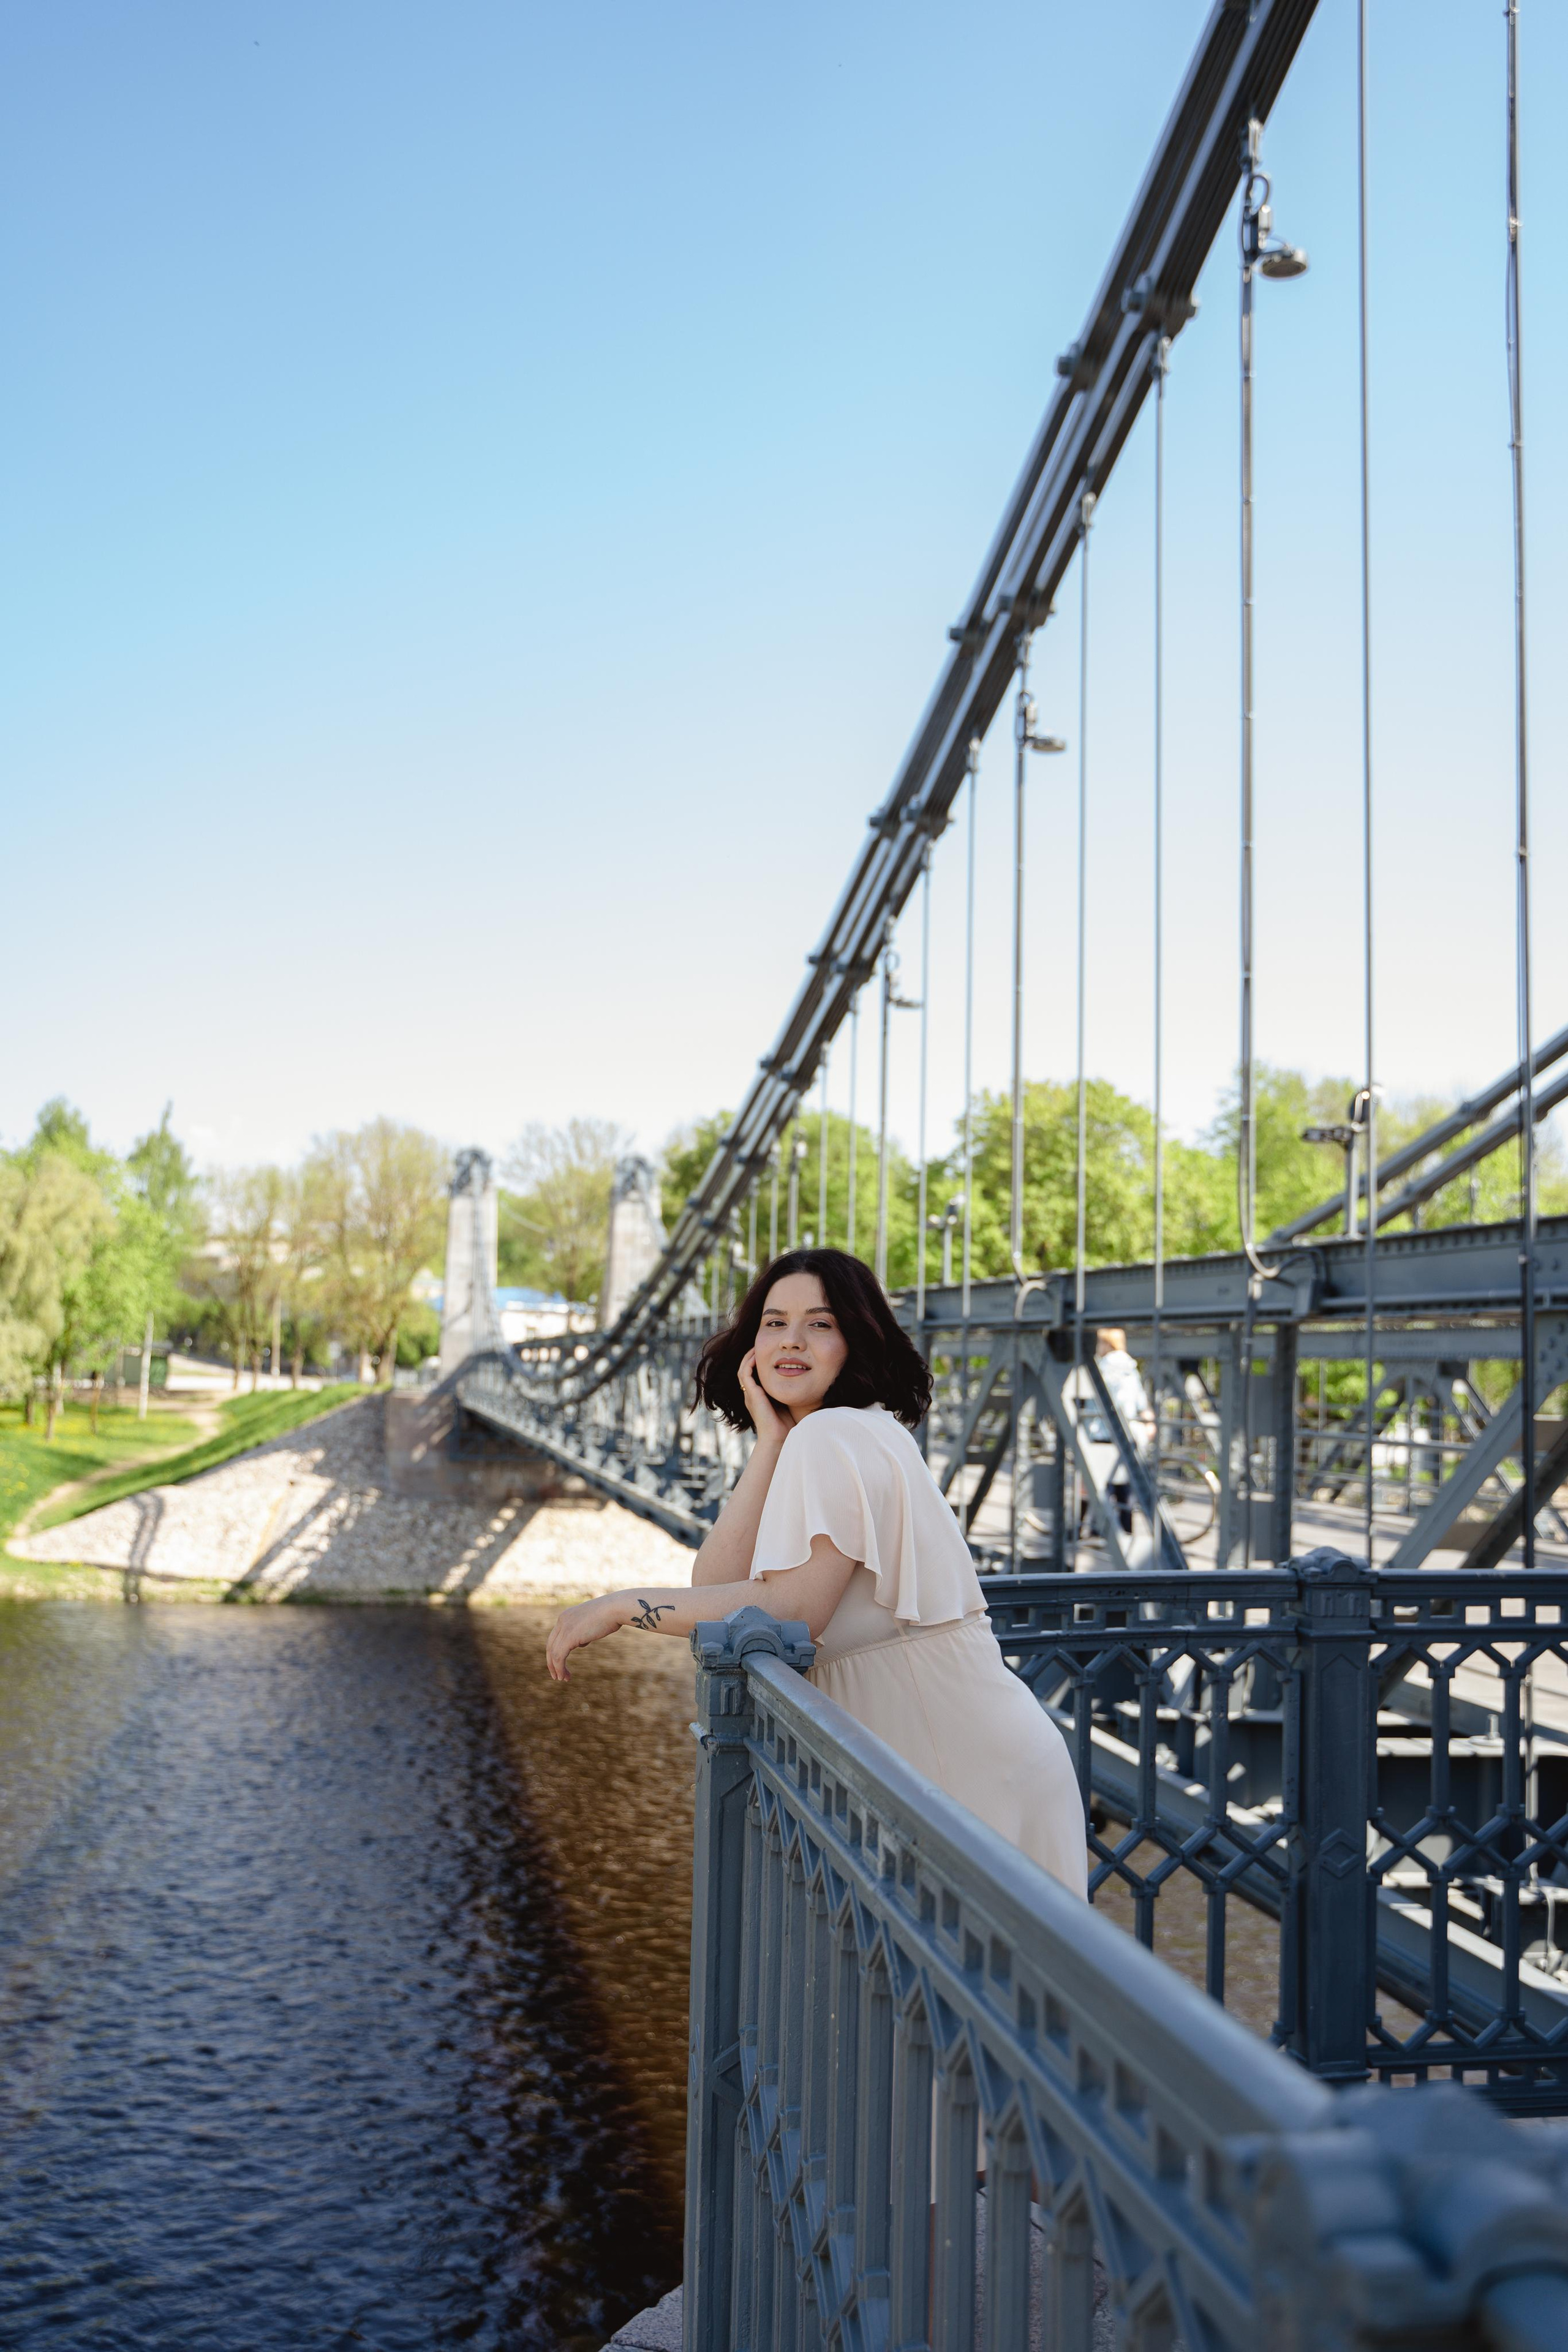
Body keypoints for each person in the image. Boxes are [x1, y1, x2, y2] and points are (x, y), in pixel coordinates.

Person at [545, 1247, 1088, 1897]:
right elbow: (715, 1585)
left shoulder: (833, 1436)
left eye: (820, 1323)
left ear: (856, 1340)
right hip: (969, 1757)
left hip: (957, 1769)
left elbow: (791, 1612)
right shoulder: (836, 1433)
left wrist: (619, 1606)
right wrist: (770, 1441)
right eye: (773, 1323)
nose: (791, 1340)